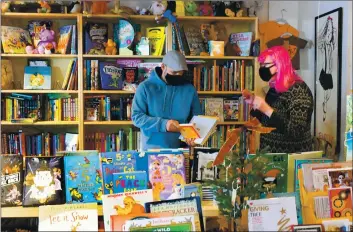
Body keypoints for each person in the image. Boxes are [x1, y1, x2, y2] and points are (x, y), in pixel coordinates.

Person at [243, 46, 313, 153]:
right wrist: (255, 106)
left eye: (266, 65)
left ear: (280, 66)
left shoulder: (298, 90)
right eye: (261, 65)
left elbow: (296, 131)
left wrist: (266, 108)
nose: (262, 69)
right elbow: (269, 119)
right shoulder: (274, 88)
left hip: (291, 158)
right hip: (271, 156)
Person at [132, 51, 202, 151]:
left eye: (180, 72)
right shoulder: (145, 87)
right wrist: (164, 124)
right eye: (174, 72)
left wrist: (194, 137)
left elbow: (197, 118)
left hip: (182, 150)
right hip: (152, 150)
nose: (177, 75)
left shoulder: (190, 89)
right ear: (163, 67)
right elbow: (137, 117)